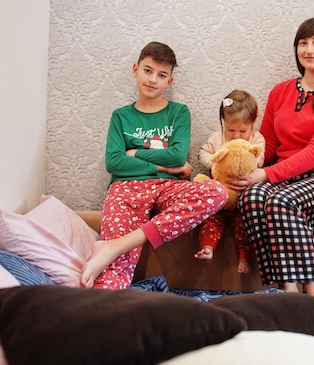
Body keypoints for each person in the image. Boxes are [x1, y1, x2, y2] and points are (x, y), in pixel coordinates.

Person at [80, 41, 228, 290]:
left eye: (161, 75)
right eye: (147, 70)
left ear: (169, 82)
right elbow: (114, 162)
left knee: (217, 192)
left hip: (168, 189)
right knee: (114, 271)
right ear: (135, 69)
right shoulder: (121, 116)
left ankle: (117, 245)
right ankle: (104, 312)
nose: (152, 79)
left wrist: (136, 152)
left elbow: (177, 156)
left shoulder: (179, 113)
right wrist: (164, 167)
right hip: (126, 189)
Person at [231, 17, 314, 300]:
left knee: (279, 200)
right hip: (286, 177)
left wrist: (266, 175)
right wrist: (251, 165)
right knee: (251, 197)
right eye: (303, 43)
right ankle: (286, 290)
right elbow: (269, 143)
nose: (309, 49)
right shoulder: (280, 92)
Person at [195, 89, 265, 274]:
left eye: (243, 130)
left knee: (243, 222)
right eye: (231, 130)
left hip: (242, 195)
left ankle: (243, 256)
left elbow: (260, 157)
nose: (236, 136)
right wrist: (213, 163)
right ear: (223, 123)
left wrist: (252, 163)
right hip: (221, 192)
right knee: (210, 217)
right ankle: (207, 248)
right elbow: (203, 152)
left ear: (253, 123)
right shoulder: (217, 138)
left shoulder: (256, 138)